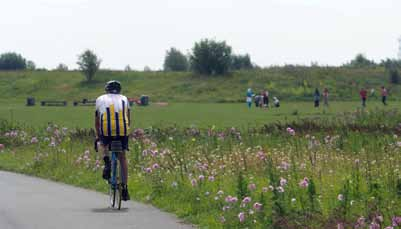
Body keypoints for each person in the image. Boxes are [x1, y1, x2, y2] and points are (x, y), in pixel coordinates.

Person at [95, 80, 131, 201]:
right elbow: (128, 118)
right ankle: (125, 188)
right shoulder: (125, 99)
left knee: (101, 142)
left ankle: (107, 163)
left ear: (107, 90)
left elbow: (97, 121)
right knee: (123, 157)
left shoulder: (100, 99)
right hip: (123, 130)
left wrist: (98, 136)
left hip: (106, 129)